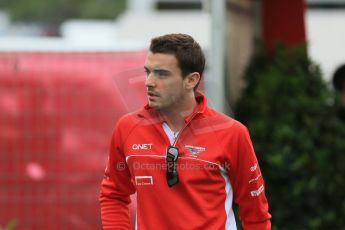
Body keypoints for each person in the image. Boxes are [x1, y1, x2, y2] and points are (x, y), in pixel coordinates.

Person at [99, 33, 271, 229]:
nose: (149, 82)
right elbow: (113, 194)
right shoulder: (127, 128)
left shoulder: (233, 133)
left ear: (191, 80)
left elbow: (255, 213)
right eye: (148, 72)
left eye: (161, 74)